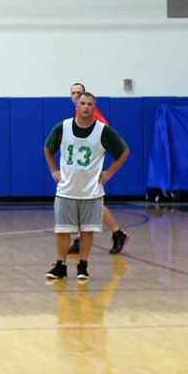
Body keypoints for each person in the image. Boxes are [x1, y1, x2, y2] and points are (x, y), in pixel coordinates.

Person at [44, 90, 129, 284]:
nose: (86, 107)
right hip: (66, 189)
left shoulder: (103, 131)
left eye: (90, 104)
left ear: (94, 107)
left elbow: (124, 151)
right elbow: (48, 148)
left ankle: (83, 266)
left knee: (88, 230)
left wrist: (109, 172)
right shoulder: (62, 127)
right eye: (82, 103)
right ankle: (60, 265)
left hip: (91, 191)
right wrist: (53, 170)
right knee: (63, 230)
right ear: (76, 105)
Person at [68, 82, 128, 254]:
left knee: (94, 203)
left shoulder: (93, 114)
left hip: (91, 166)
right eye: (73, 92)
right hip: (80, 167)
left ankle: (117, 233)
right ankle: (81, 238)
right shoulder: (75, 115)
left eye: (79, 92)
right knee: (80, 202)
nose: (76, 95)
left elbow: (105, 131)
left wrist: (108, 168)